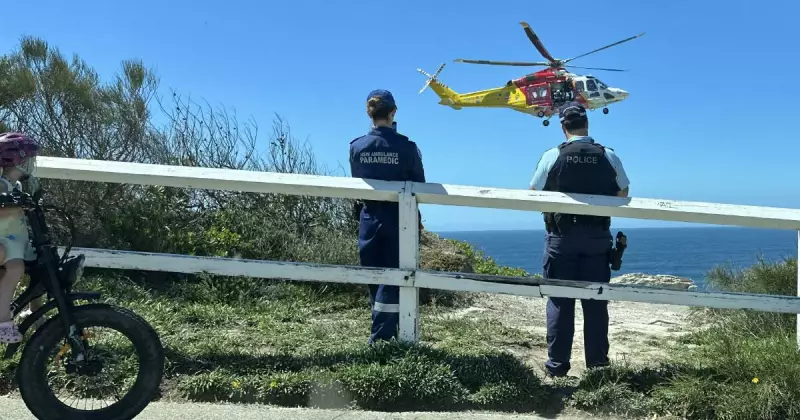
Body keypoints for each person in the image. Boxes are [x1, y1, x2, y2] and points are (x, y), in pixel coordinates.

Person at [528, 102, 630, 377]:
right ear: (587, 125)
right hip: (598, 238)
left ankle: (557, 368)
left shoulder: (553, 155)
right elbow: (623, 191)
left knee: (561, 302)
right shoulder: (607, 155)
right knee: (596, 303)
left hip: (561, 238)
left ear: (563, 127)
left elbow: (533, 190)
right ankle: (597, 367)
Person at [349, 89, 425, 344]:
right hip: (399, 219)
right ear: (393, 112)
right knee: (394, 278)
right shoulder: (408, 147)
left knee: (374, 276)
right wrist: (419, 221)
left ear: (369, 114)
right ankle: (381, 339)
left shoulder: (356, 147)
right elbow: (419, 187)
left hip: (368, 218)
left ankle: (383, 332)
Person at [0, 132, 41, 343]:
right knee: (15, 268)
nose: (31, 164)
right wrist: (16, 208)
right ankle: (2, 320)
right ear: (17, 160)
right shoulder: (1, 184)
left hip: (15, 240)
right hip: (4, 241)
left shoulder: (16, 186)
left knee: (39, 268)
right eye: (28, 159)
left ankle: (36, 314)